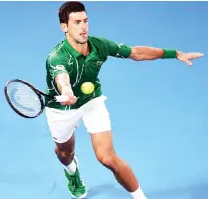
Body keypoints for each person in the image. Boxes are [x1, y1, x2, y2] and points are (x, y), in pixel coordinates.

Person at [44, 1, 204, 199]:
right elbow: (62, 78)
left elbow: (136, 52)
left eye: (85, 21)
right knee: (65, 154)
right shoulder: (56, 57)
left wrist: (174, 54)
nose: (83, 26)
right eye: (77, 22)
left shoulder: (99, 45)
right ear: (64, 27)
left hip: (92, 101)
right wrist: (67, 91)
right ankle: (72, 173)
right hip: (62, 109)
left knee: (107, 157)